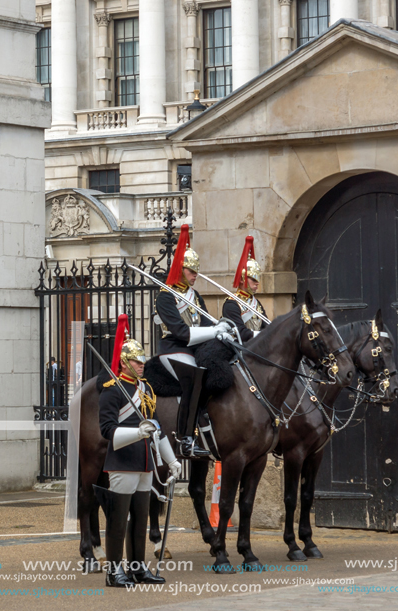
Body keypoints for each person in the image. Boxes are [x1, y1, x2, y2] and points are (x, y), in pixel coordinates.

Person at [98, 314, 181, 587]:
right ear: (124, 362)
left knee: (140, 522)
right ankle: (114, 571)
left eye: (143, 360)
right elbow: (108, 431)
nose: (142, 365)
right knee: (119, 521)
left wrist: (171, 460)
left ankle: (137, 568)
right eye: (136, 360)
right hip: (122, 462)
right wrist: (137, 432)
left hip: (145, 462)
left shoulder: (145, 389)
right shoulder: (113, 390)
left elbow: (156, 429)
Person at [154, 224, 233, 458]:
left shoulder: (194, 295)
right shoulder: (166, 296)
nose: (195, 276)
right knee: (193, 378)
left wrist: (221, 330)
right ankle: (185, 438)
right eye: (191, 271)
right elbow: (182, 333)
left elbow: (207, 325)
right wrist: (214, 331)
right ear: (180, 269)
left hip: (195, 349)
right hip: (174, 349)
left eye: (196, 272)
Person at [223, 235, 269, 342]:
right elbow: (240, 333)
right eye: (253, 279)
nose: (257, 283)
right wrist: (264, 335)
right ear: (243, 279)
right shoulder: (231, 304)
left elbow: (266, 325)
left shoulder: (256, 303)